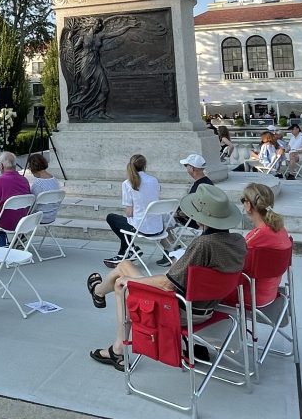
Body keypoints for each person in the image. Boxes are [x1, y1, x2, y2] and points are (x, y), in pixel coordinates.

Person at [87, 183, 246, 371]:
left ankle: (118, 350)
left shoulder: (204, 244)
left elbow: (168, 284)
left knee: (122, 284)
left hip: (181, 310)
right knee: (124, 266)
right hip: (206, 307)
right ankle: (98, 292)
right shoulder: (238, 241)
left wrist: (132, 282)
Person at [230, 183, 292, 308]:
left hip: (249, 297)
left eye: (243, 201)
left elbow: (235, 266)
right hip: (270, 294)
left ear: (248, 205)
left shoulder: (257, 237)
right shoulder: (280, 230)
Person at [103, 154, 162, 268]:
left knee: (111, 217)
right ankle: (128, 250)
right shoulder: (154, 180)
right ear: (145, 165)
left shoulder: (127, 183)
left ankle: (128, 250)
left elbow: (129, 213)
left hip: (141, 227)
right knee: (128, 223)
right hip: (157, 226)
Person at [175, 153, 213, 228]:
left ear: (192, 168)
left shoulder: (199, 187)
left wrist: (177, 213)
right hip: (201, 218)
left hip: (194, 220)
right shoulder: (208, 182)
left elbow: (191, 211)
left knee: (163, 218)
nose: (186, 168)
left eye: (186, 166)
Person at [28, 152, 64, 224]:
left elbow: (32, 205)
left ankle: (19, 234)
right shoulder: (55, 181)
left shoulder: (37, 184)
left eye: (29, 167)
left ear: (33, 167)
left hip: (39, 218)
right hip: (52, 216)